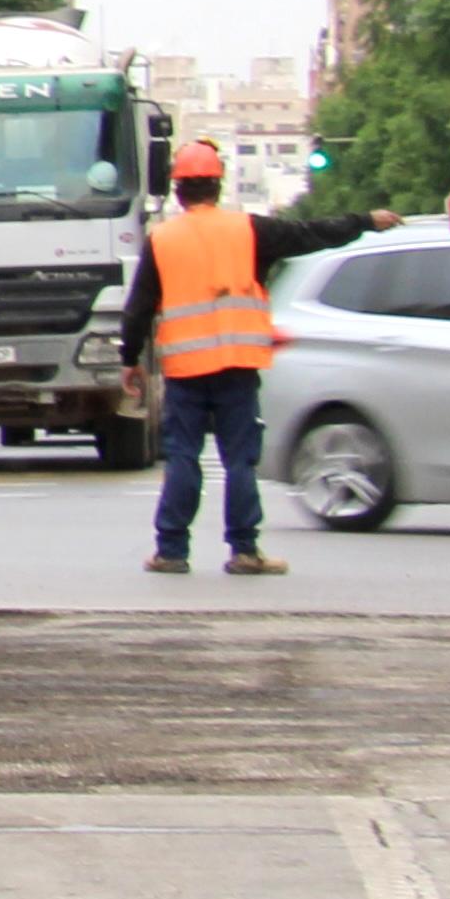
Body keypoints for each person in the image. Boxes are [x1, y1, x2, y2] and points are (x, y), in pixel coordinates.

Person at [120, 140, 392, 575]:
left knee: (183, 456)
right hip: (238, 365)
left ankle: (171, 550)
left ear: (178, 191)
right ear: (217, 184)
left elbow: (139, 306)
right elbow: (311, 233)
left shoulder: (162, 241)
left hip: (186, 371)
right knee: (239, 459)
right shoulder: (249, 231)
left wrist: (130, 359)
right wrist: (366, 222)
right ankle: (244, 550)